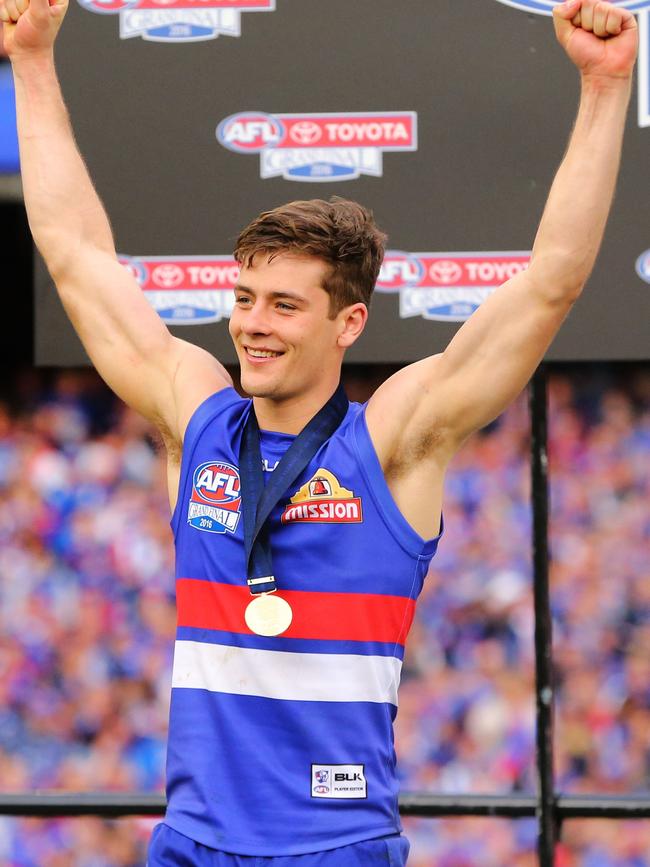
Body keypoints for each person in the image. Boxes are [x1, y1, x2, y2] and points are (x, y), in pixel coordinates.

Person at [0, 0, 638, 863]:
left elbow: (552, 282)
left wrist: (605, 86)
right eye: (244, 299)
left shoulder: (393, 442)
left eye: (285, 306)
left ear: (349, 325)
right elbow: (74, 252)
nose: (252, 326)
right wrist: (33, 60)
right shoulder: (196, 419)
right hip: (191, 844)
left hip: (336, 846)